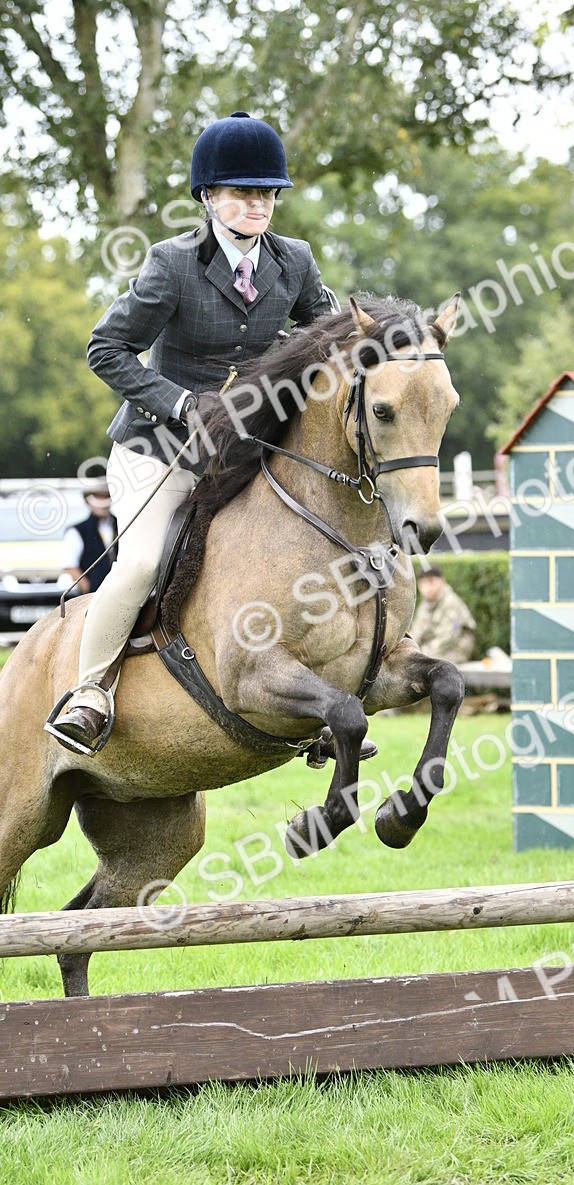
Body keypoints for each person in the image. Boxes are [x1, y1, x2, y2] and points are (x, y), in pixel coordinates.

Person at [48, 111, 340, 752]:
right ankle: (89, 693)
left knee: (296, 551)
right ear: (208, 198)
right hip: (158, 448)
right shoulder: (171, 265)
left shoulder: (294, 262)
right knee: (145, 561)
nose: (258, 205)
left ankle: (310, 696)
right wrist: (181, 403)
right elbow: (107, 349)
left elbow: (334, 336)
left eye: (267, 193)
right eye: (243, 192)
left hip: (241, 450)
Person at [409, 564, 476, 664]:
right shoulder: (426, 604)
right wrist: (411, 650)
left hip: (454, 650)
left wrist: (422, 654)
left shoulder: (451, 602)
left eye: (431, 582)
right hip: (431, 650)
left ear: (441, 581)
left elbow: (447, 637)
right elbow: (417, 632)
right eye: (423, 583)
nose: (427, 588)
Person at [60, 481, 118, 595]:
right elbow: (70, 565)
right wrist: (87, 589)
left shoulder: (123, 526)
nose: (102, 502)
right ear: (89, 501)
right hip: (93, 594)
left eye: (105, 496)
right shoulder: (77, 531)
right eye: (98, 497)